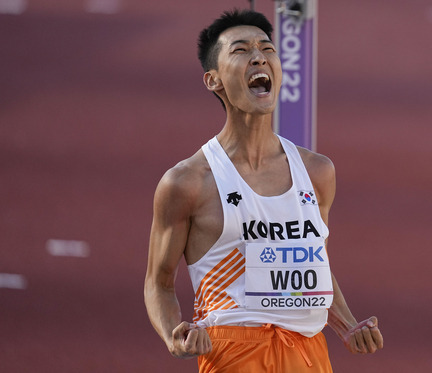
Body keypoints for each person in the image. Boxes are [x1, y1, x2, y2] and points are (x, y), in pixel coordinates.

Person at [144, 9, 383, 372]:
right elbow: (158, 282)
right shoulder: (188, 182)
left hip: (308, 352)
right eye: (241, 50)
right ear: (214, 80)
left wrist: (347, 326)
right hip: (233, 352)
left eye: (267, 48)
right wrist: (173, 334)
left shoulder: (317, 172)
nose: (259, 56)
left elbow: (314, 264)